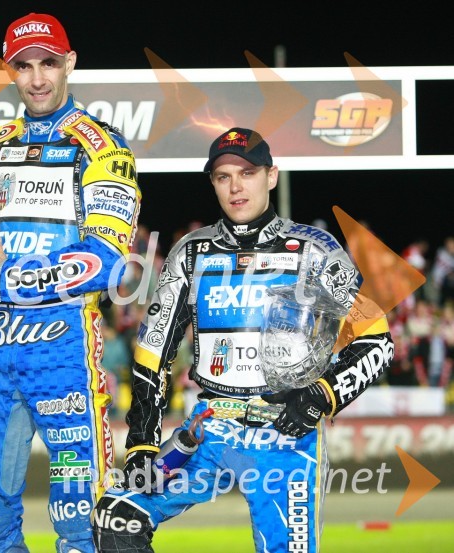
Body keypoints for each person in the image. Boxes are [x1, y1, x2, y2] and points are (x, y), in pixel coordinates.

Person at [92, 128, 395, 552]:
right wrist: (142, 441)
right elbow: (151, 356)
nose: (235, 186)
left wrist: (321, 396)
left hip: (287, 433)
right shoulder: (191, 253)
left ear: (271, 176)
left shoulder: (314, 251)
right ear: (212, 183)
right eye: (222, 176)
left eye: (247, 173)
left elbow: (378, 342)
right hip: (208, 428)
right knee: (117, 515)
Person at [0, 12, 141, 552]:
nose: (37, 78)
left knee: (80, 521)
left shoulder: (103, 147)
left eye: (48, 63)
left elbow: (107, 262)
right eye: (23, 66)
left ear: (69, 63)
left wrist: (7, 278)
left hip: (62, 353)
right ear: (10, 72)